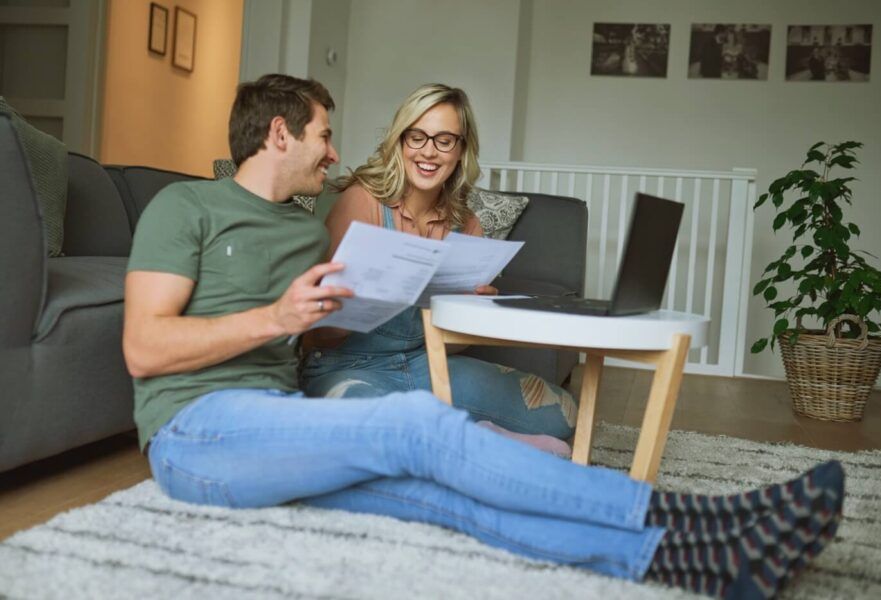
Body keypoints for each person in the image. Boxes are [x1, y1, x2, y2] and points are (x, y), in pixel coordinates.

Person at [124, 73, 844, 599]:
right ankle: (696, 515)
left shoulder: (300, 226)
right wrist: (278, 319)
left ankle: (708, 563)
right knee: (418, 426)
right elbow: (143, 349)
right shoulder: (186, 204)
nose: (332, 150)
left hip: (279, 427)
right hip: (195, 434)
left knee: (447, 496)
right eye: (322, 134)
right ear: (279, 133)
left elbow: (346, 298)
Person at [300, 83, 577, 453]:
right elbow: (318, 335)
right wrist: (367, 296)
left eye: (445, 140)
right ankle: (470, 440)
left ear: (461, 150)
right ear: (400, 142)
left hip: (425, 363)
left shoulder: (468, 223)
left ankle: (450, 436)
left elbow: (453, 347)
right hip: (346, 364)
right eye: (417, 137)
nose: (429, 151)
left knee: (562, 414)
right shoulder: (362, 201)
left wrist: (475, 313)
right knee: (371, 426)